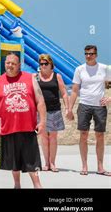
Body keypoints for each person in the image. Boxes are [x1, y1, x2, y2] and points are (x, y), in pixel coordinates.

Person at [0, 53, 46, 188]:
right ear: (5, 64)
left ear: (19, 65)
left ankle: (37, 185)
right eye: (8, 63)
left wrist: (42, 121)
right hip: (7, 129)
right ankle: (17, 185)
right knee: (14, 162)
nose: (10, 66)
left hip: (28, 128)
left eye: (13, 63)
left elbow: (40, 101)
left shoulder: (30, 78)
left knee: (32, 161)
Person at [68, 45, 111, 176]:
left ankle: (100, 167)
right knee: (83, 135)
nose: (88, 56)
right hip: (84, 105)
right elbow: (75, 90)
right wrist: (69, 108)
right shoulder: (79, 69)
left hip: (99, 106)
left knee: (100, 136)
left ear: (96, 55)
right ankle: (84, 166)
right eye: (86, 53)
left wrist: (109, 98)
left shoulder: (105, 68)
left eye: (91, 54)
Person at [35, 54, 69, 172]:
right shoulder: (36, 77)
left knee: (53, 137)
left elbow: (64, 93)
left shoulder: (57, 76)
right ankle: (46, 163)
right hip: (41, 111)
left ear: (51, 65)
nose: (43, 66)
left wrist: (67, 108)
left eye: (45, 64)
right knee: (44, 137)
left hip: (54, 110)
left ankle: (52, 163)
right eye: (41, 64)